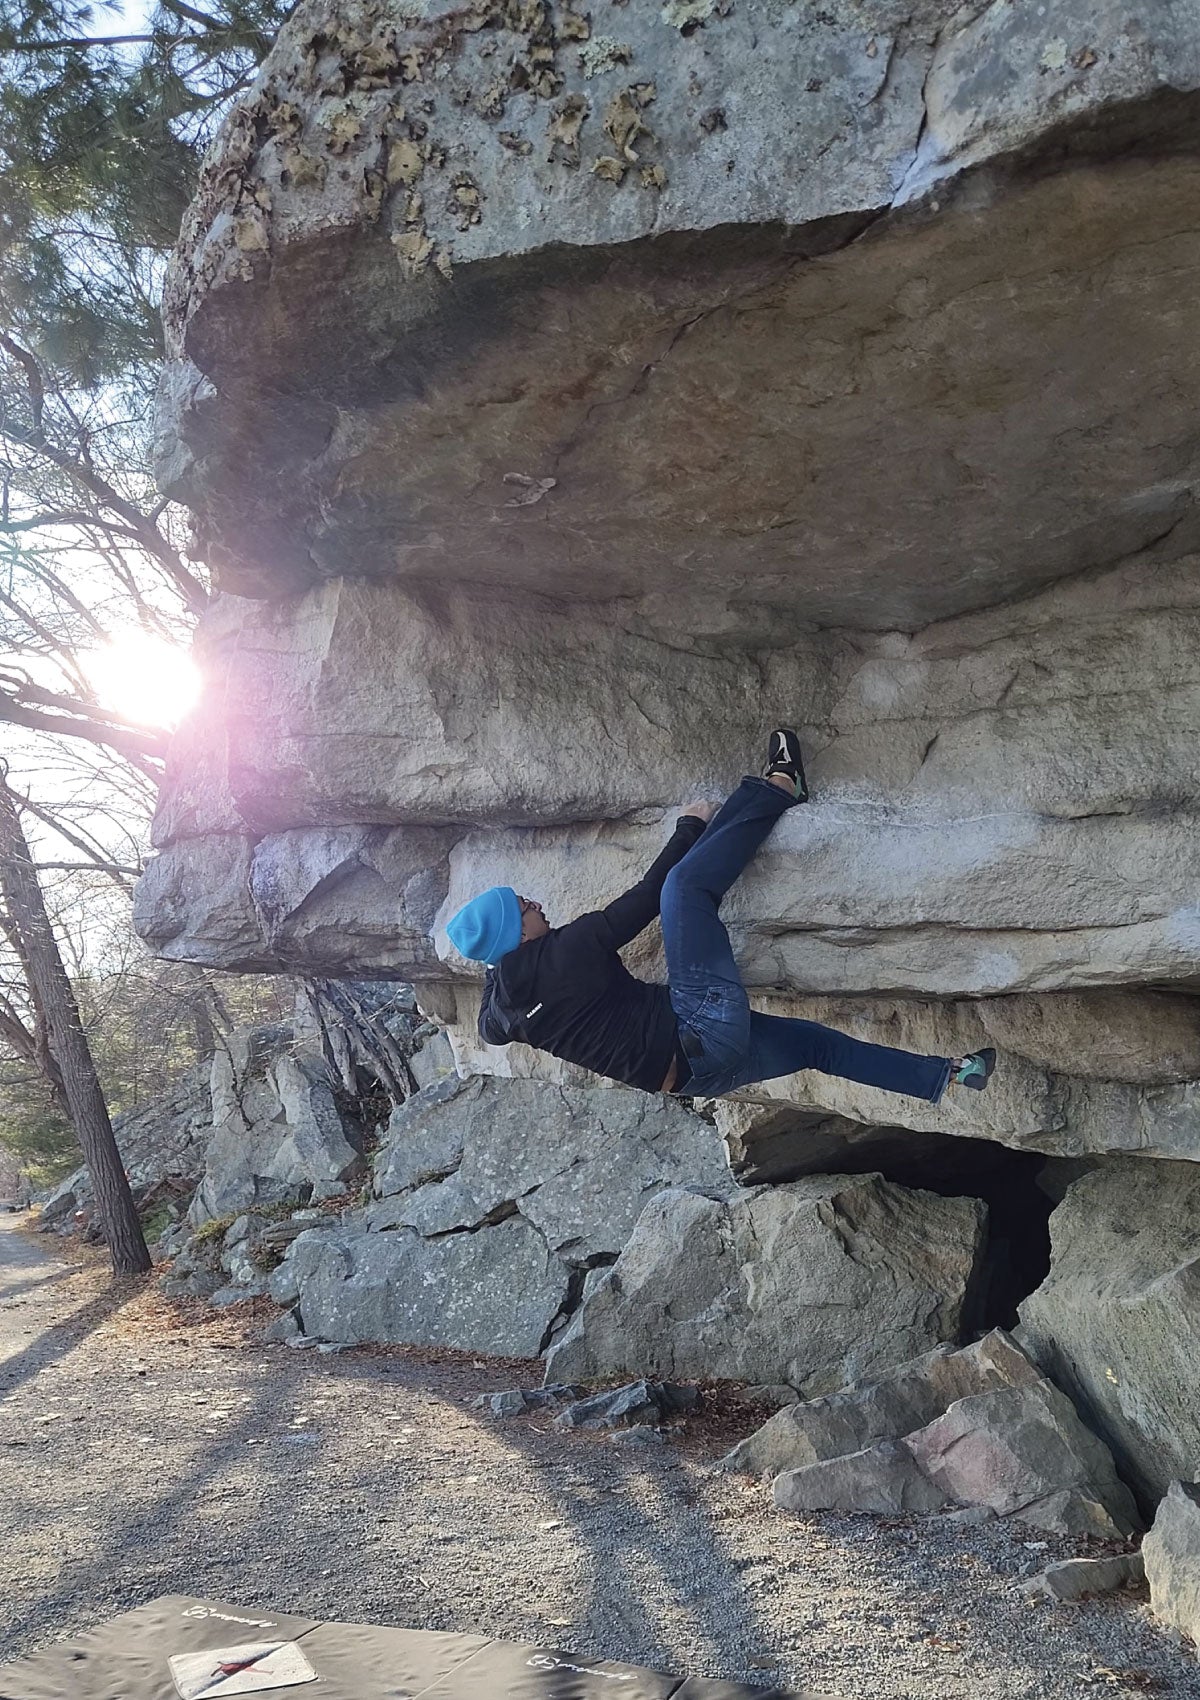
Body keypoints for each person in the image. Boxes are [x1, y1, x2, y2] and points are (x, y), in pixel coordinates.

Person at [447, 731, 995, 1103]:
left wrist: (498, 966)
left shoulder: (506, 1013)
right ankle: (779, 786)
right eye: (525, 906)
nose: (537, 904)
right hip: (698, 1028)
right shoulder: (566, 953)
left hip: (693, 1082)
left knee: (817, 1047)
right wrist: (689, 827)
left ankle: (948, 1075)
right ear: (518, 933)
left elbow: (487, 1030)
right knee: (684, 890)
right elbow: (650, 893)